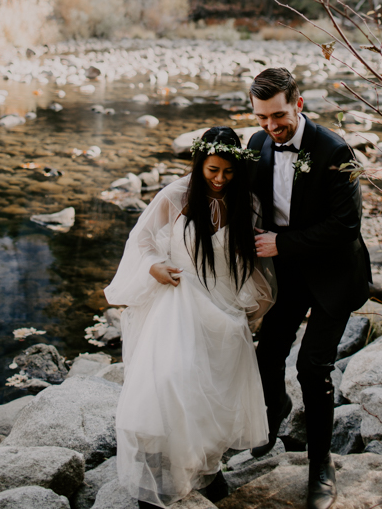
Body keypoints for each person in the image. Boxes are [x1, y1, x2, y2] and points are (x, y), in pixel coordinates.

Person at [105, 126, 276, 508]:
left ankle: (207, 467)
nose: (219, 179)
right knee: (171, 380)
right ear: (200, 164)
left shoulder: (247, 203)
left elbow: (247, 259)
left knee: (218, 389)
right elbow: (141, 238)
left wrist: (251, 308)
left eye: (228, 172)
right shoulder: (176, 196)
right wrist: (154, 267)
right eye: (212, 170)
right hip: (178, 298)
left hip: (223, 303)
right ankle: (160, 473)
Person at [249, 67, 371, 509]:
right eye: (261, 117)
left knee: (312, 368)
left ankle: (321, 465)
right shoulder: (258, 143)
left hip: (334, 276)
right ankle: (275, 407)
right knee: (265, 354)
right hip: (288, 276)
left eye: (278, 116)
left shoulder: (336, 150)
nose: (270, 127)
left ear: (298, 104)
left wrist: (281, 243)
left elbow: (346, 226)